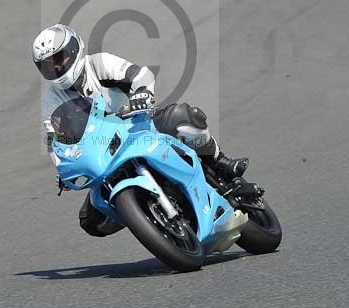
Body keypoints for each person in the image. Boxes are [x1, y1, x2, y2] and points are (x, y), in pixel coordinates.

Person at [32, 24, 249, 237]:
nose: (57, 68)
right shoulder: (51, 101)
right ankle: (145, 215)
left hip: (138, 127)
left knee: (183, 116)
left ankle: (220, 163)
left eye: (59, 59)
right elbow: (54, 141)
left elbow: (139, 74)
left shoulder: (98, 64)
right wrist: (63, 168)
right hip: (103, 154)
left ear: (73, 49)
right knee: (90, 221)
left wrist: (142, 93)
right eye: (48, 66)